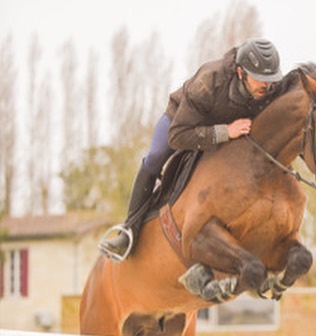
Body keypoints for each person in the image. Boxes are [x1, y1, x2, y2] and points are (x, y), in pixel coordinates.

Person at [99, 37, 283, 261]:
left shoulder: (267, 88)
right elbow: (178, 136)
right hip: (182, 124)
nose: (267, 85)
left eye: (271, 79)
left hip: (231, 131)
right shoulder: (209, 80)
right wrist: (226, 132)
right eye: (261, 79)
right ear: (240, 72)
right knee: (155, 158)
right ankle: (128, 232)